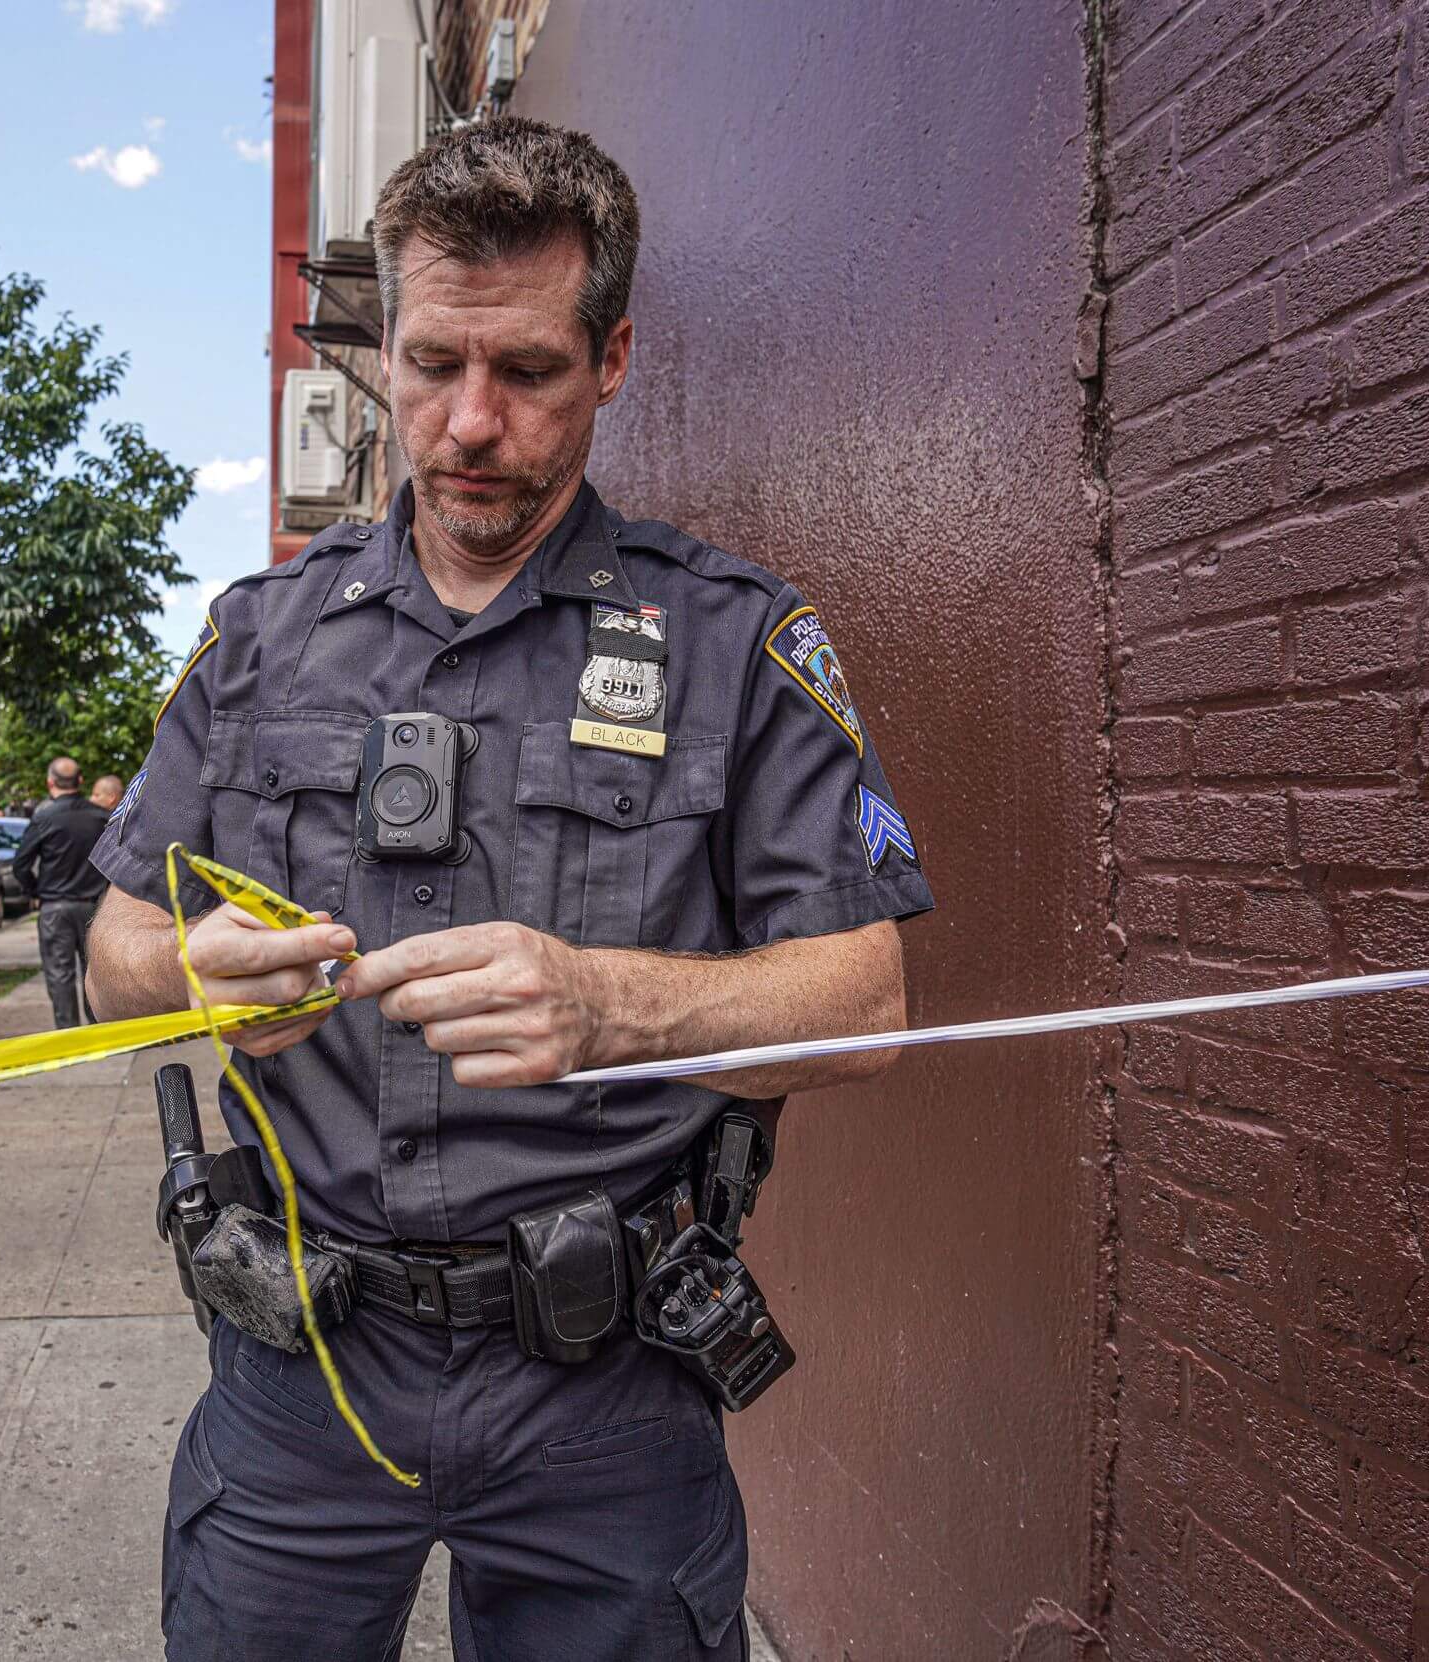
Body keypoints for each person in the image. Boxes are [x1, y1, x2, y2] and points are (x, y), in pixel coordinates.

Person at [85, 118, 934, 1661]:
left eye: (529, 370)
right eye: (432, 364)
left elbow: (867, 999)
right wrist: (193, 969)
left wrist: (615, 1006)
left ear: (612, 358)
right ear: (386, 355)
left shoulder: (735, 639)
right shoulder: (257, 635)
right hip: (298, 1372)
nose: (471, 421)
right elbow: (112, 949)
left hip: (605, 1389)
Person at [12, 756, 111, 1027]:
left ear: (50, 783)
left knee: (59, 975)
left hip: (55, 907)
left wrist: (35, 891)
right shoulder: (101, 817)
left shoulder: (43, 817)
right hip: (94, 907)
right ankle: (98, 1033)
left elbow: (20, 864)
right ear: (80, 781)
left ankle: (68, 1034)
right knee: (94, 974)